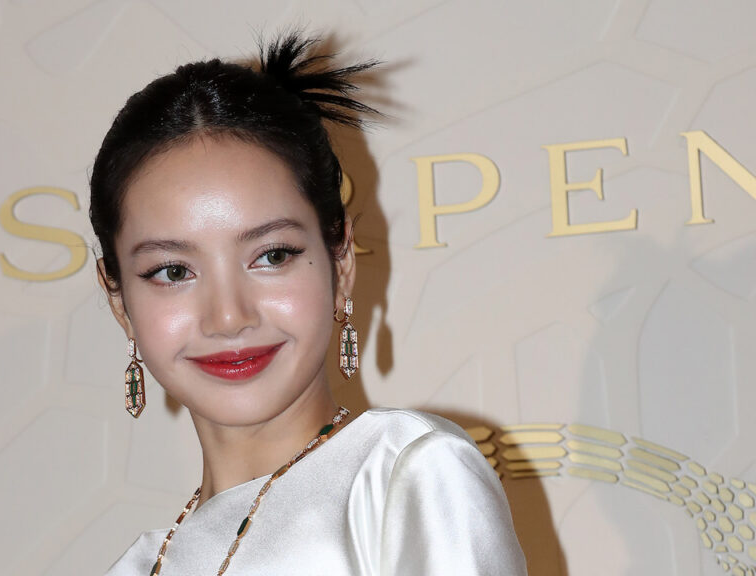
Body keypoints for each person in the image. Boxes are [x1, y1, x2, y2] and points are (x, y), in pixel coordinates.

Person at [90, 32, 527, 576]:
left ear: (340, 262)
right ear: (118, 299)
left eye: (272, 256)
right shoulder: (138, 567)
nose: (229, 317)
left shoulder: (407, 478)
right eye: (173, 271)